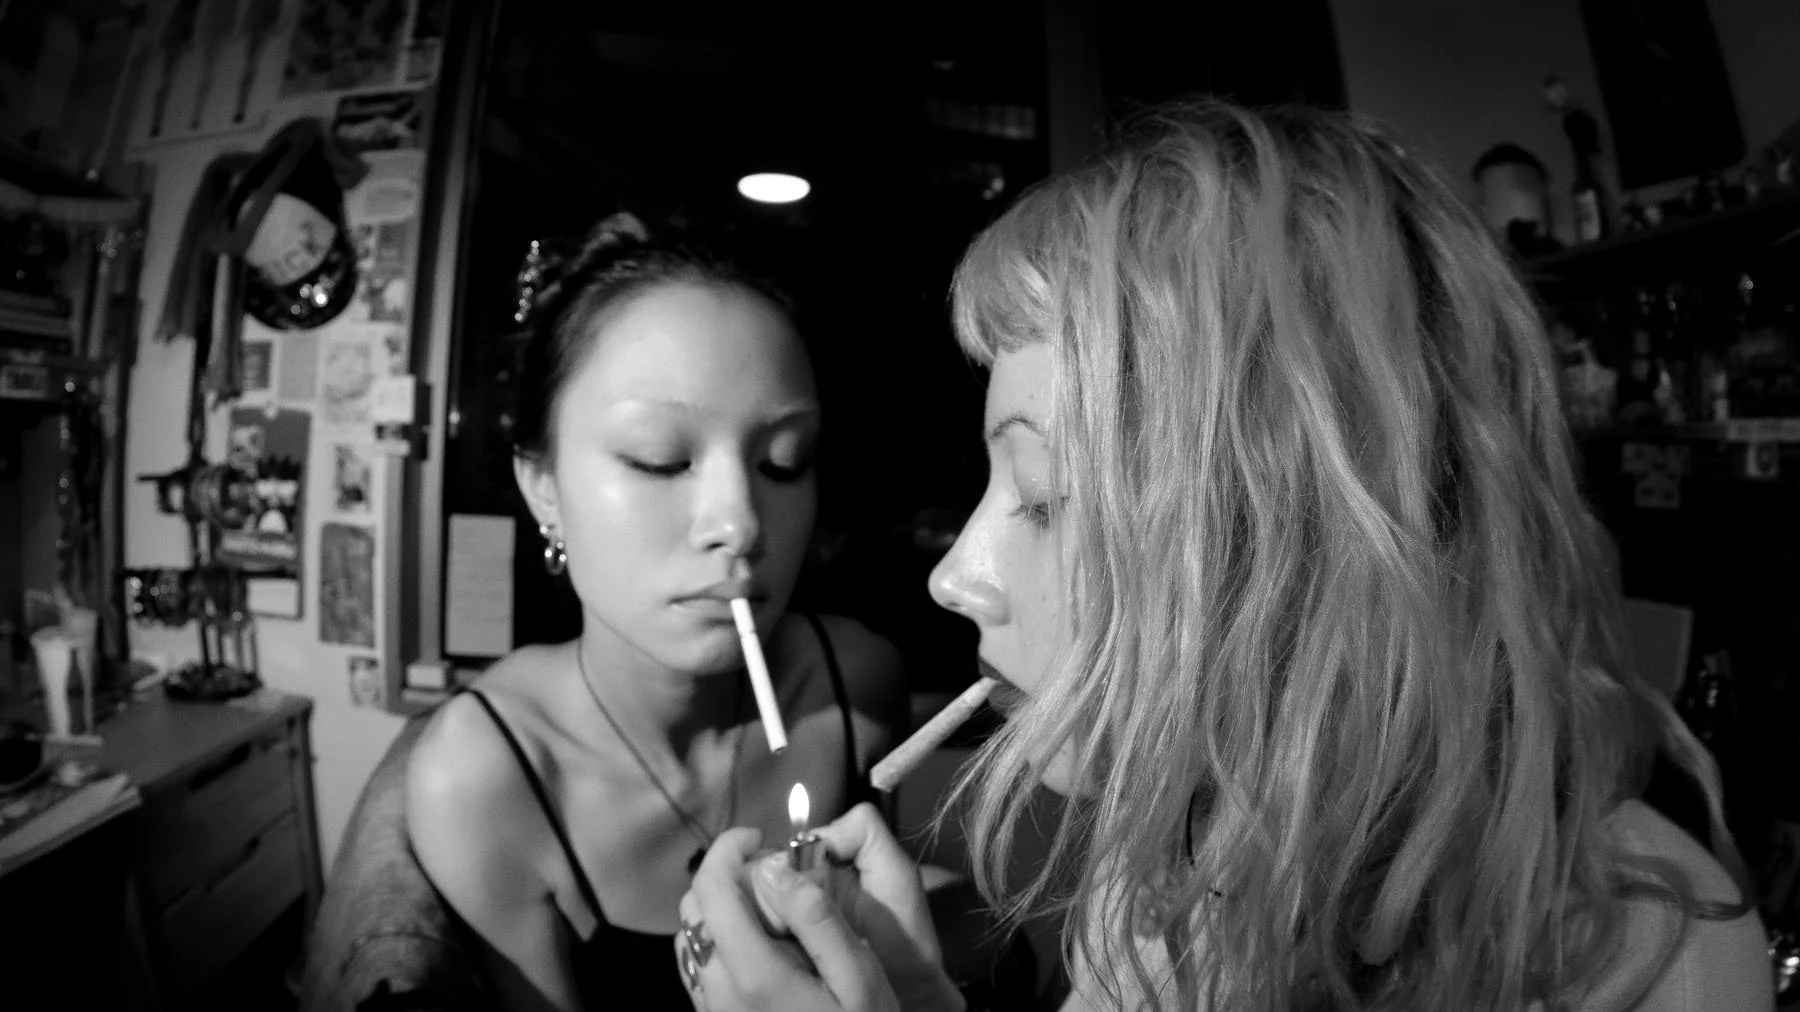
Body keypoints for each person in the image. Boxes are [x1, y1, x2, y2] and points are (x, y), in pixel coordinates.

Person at [674, 101, 1774, 1011]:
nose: (954, 573)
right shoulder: (1168, 875)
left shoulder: (1654, 957)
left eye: (1047, 498)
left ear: (1298, 542)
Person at [406, 213, 909, 1011]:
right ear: (544, 489)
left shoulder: (858, 685)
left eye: (785, 462)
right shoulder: (481, 782)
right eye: (660, 458)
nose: (740, 523)